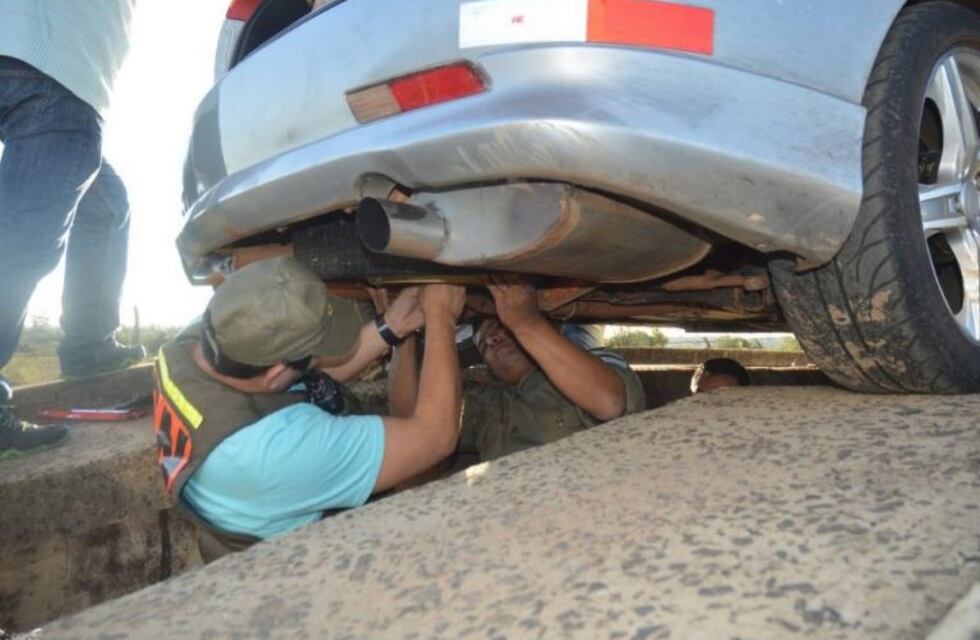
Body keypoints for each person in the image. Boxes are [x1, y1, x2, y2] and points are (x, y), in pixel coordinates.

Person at [153, 258, 465, 557]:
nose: (319, 360)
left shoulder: (202, 340)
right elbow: (435, 436)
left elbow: (303, 378)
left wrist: (392, 325)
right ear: (275, 372)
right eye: (316, 353)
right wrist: (441, 317)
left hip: (255, 500)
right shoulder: (272, 453)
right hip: (298, 568)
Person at [0, 0, 141, 460]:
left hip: (34, 56)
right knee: (25, 238)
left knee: (106, 206)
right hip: (49, 69)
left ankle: (90, 345)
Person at [390, 280, 646, 463]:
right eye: (484, 343)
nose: (492, 340)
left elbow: (610, 402)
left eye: (502, 329)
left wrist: (525, 322)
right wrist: (402, 336)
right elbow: (413, 436)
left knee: (576, 331)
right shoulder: (487, 402)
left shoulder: (590, 365)